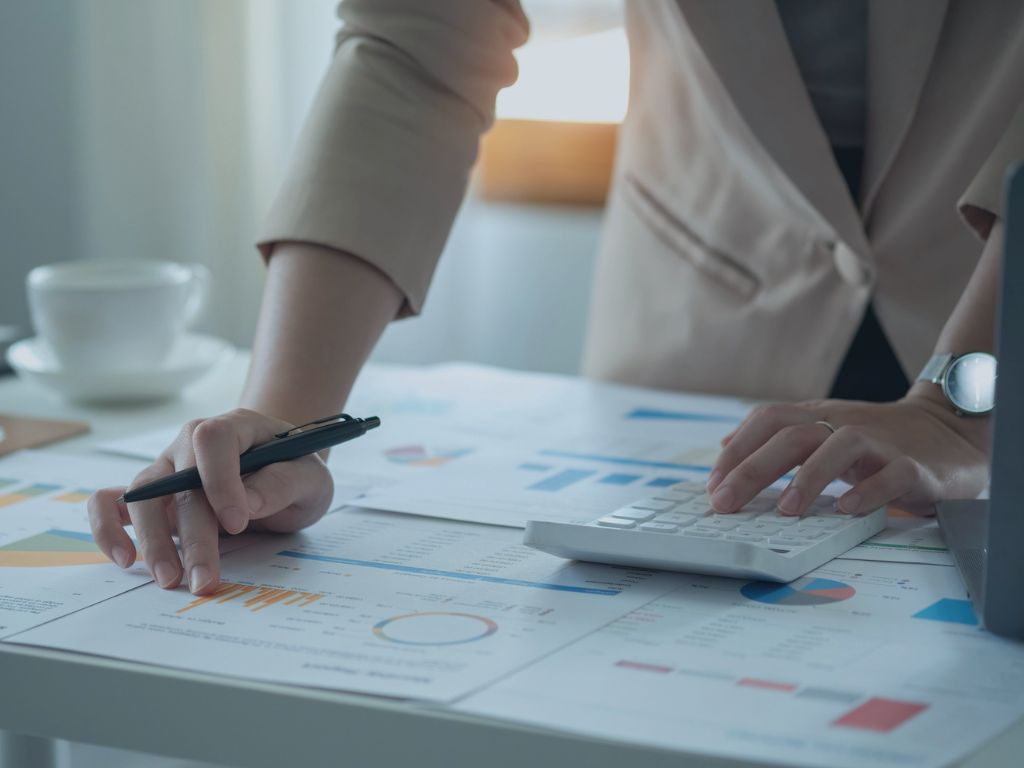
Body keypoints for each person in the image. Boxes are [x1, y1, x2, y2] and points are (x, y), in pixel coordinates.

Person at [88, 1, 1024, 596]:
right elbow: (417, 40)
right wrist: (288, 423)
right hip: (710, 331)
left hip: (997, 315)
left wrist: (959, 404)